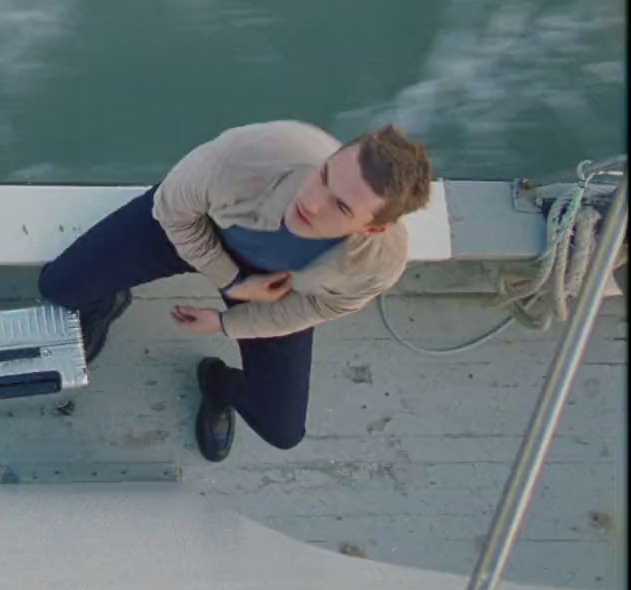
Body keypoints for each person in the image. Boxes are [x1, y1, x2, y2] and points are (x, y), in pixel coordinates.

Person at [37, 120, 433, 462]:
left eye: (341, 208)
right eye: (324, 176)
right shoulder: (250, 156)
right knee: (58, 287)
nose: (311, 204)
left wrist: (228, 323)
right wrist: (231, 280)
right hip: (196, 228)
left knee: (281, 429)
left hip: (277, 289)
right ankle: (107, 300)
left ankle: (218, 385)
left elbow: (312, 309)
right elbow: (172, 209)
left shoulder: (378, 264)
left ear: (372, 229)